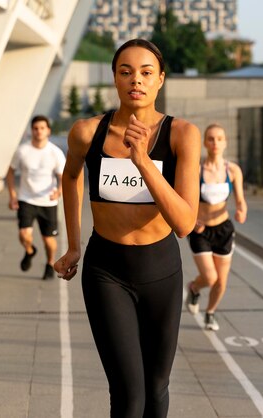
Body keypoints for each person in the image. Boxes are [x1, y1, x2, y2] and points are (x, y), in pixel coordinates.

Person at [54, 39, 200, 417]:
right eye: (126, 71)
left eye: (146, 72)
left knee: (156, 389)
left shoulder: (182, 135)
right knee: (128, 394)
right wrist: (74, 244)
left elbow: (184, 223)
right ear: (115, 79)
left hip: (161, 270)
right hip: (107, 270)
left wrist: (143, 160)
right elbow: (70, 178)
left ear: (160, 80)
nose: (136, 80)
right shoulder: (88, 133)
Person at [185, 124, 247, 331]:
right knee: (210, 277)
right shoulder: (197, 169)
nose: (215, 143)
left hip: (224, 229)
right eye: (211, 139)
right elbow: (187, 199)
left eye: (220, 139)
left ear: (225, 142)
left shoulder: (233, 170)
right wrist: (192, 221)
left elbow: (240, 200)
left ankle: (210, 313)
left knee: (221, 281)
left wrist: (241, 210)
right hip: (200, 230)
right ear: (204, 143)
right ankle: (194, 287)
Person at [6, 115, 65, 280]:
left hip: (48, 201)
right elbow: (10, 172)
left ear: (48, 131)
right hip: (26, 199)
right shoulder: (22, 151)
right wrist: (12, 195)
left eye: (42, 128)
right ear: (31, 131)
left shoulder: (55, 153)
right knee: (24, 234)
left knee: (49, 241)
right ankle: (30, 251)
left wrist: (59, 191)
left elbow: (63, 177)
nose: (39, 131)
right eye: (36, 128)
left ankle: (49, 263)